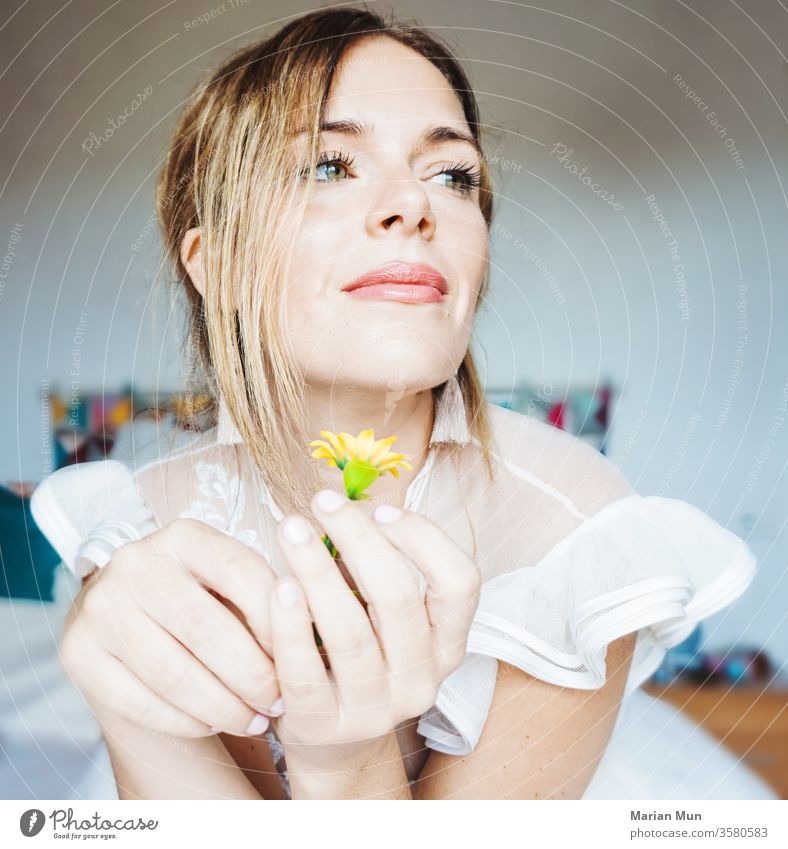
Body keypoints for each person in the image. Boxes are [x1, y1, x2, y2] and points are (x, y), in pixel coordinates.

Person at [31, 5, 776, 801]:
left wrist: (345, 760)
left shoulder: (581, 532)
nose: (415, 206)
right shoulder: (138, 526)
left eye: (453, 176)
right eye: (327, 165)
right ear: (213, 265)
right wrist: (136, 714)